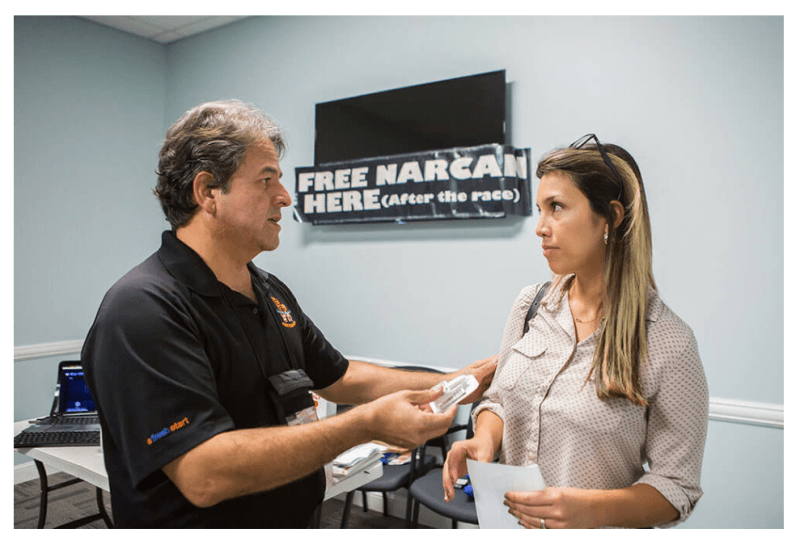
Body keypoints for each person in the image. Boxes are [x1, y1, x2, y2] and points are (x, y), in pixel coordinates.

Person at [81, 99, 496, 528]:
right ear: (207, 192)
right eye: (266, 181)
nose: (285, 196)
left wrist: (453, 386)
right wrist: (365, 425)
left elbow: (340, 377)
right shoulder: (142, 310)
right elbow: (204, 473)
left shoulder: (269, 291)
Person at [442, 134, 708, 529]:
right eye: (539, 210)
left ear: (611, 217)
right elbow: (497, 399)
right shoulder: (530, 305)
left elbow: (676, 486)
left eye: (557, 208)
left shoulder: (669, 342)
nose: (540, 228)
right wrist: (486, 438)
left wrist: (590, 510)